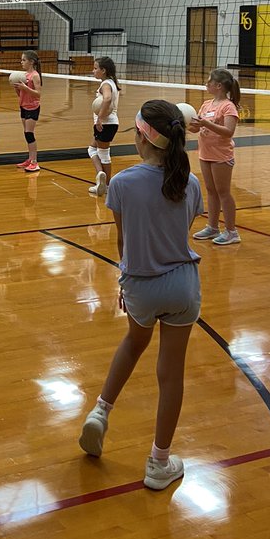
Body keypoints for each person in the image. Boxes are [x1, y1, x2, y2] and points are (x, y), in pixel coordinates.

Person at [78, 99, 203, 490]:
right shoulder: (191, 182)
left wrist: (125, 281)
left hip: (140, 284)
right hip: (181, 285)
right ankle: (159, 463)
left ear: (141, 138)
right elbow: (180, 229)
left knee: (134, 342)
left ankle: (100, 412)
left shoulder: (121, 184)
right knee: (171, 375)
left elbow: (123, 239)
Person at [191, 68, 241, 246]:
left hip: (221, 155)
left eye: (209, 81)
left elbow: (228, 132)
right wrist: (190, 124)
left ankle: (231, 232)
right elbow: (197, 127)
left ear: (218, 86)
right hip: (205, 153)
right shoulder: (206, 104)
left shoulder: (228, 106)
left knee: (223, 193)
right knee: (211, 191)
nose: (206, 84)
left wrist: (206, 124)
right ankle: (212, 227)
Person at [88, 56, 121, 196]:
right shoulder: (112, 82)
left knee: (104, 154)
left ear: (103, 70)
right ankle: (101, 177)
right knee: (92, 149)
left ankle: (106, 185)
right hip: (111, 123)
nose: (93, 71)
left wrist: (100, 119)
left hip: (106, 123)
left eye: (96, 68)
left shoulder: (106, 84)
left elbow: (107, 99)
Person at [13, 50, 42, 173]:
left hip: (32, 107)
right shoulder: (23, 75)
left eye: (24, 60)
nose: (21, 62)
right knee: (26, 133)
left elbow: (38, 94)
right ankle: (30, 159)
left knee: (29, 134)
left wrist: (25, 87)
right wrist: (18, 89)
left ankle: (35, 162)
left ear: (31, 62)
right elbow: (21, 94)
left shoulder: (35, 75)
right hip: (23, 106)